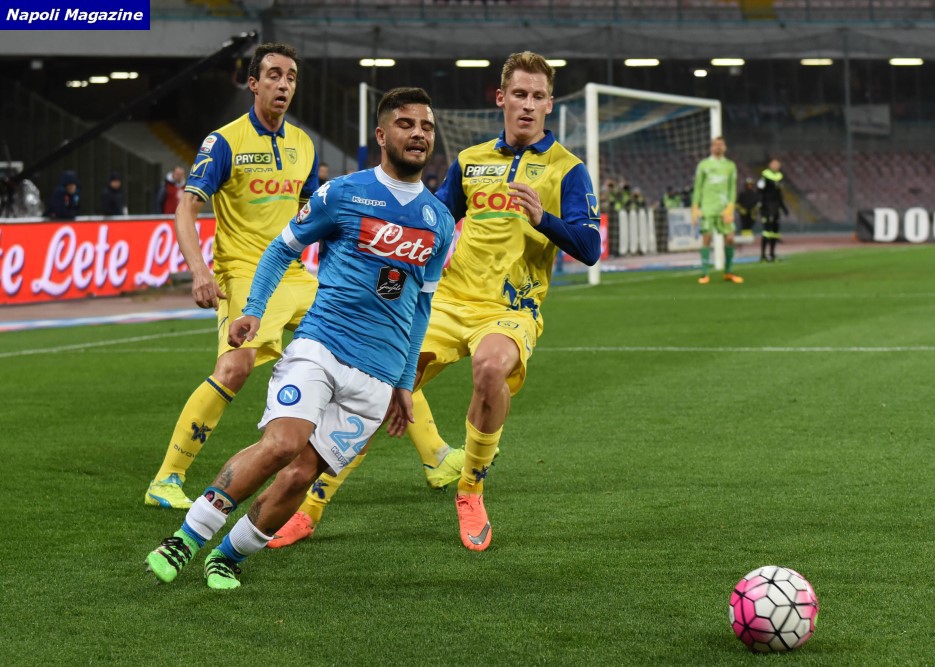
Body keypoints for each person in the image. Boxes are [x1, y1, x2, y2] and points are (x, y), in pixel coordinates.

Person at [271, 51, 602, 552]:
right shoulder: (470, 161)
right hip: (448, 301)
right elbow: (429, 224)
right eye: (519, 94)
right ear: (501, 98)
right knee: (378, 393)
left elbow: (590, 247)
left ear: (550, 104)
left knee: (490, 368)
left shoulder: (568, 170)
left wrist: (544, 220)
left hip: (510, 309)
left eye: (538, 96)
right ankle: (311, 506)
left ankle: (470, 489)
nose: (528, 104)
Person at [144, 87, 454, 589]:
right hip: (322, 347)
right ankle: (185, 538)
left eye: (426, 126)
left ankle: (228, 555)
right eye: (406, 124)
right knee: (282, 445)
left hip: (378, 376)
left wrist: (403, 382)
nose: (419, 133)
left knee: (304, 473)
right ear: (381, 135)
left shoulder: (439, 221)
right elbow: (280, 250)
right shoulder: (343, 194)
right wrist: (253, 310)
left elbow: (420, 307)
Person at [143, 42, 321, 509]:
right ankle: (166, 479)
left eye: (291, 77)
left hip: (295, 275)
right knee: (235, 367)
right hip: (243, 271)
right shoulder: (223, 142)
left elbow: (311, 214)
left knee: (365, 342)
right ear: (253, 83)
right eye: (275, 75)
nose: (284, 84)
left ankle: (436, 456)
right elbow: (186, 208)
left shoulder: (304, 145)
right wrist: (199, 270)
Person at [691, 136, 741, 284]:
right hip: (708, 208)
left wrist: (730, 207)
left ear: (725, 147)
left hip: (724, 209)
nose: (718, 147)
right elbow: (698, 187)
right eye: (715, 144)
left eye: (721, 144)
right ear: (711, 147)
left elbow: (732, 188)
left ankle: (728, 272)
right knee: (707, 237)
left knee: (730, 238)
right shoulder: (703, 165)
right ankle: (704, 273)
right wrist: (695, 207)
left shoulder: (730, 166)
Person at [758, 158, 789, 262]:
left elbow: (779, 194)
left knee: (775, 231)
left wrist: (783, 207)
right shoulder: (765, 175)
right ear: (769, 165)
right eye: (774, 164)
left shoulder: (780, 176)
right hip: (767, 206)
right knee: (767, 231)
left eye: (777, 164)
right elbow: (760, 190)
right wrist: (761, 205)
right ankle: (763, 255)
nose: (775, 166)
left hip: (775, 207)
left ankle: (772, 254)